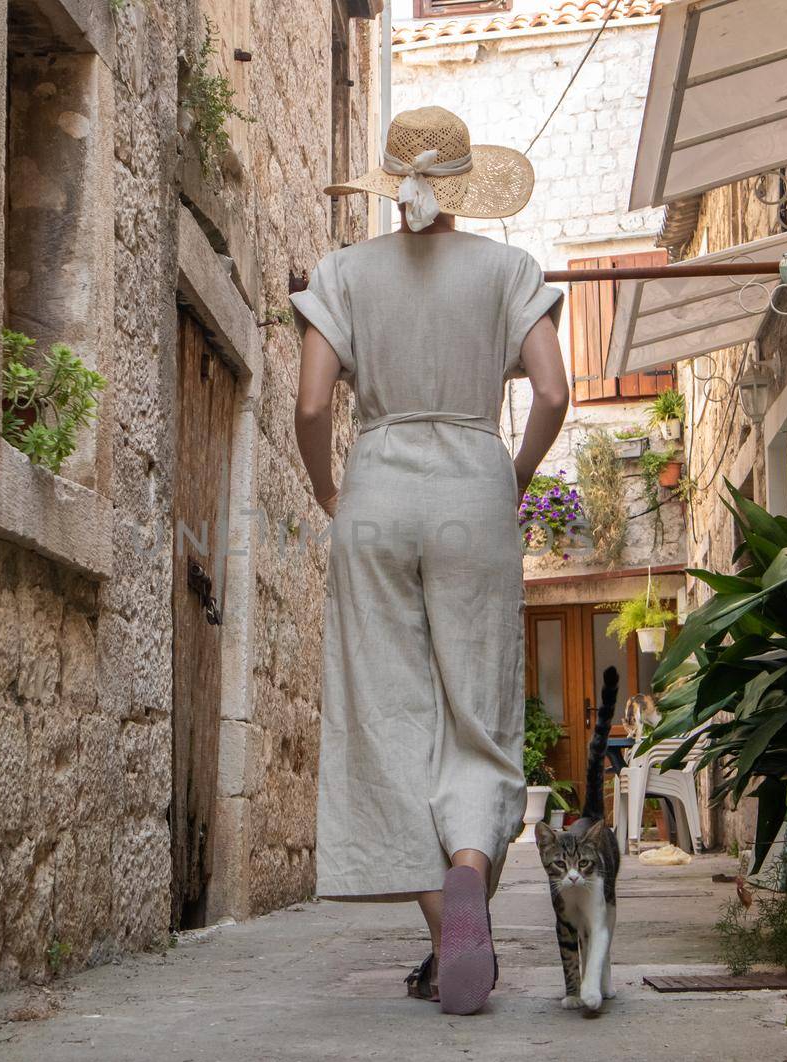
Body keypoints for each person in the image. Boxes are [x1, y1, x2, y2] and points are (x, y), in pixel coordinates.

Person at [289, 106, 569, 1015]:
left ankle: (442, 918)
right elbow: (556, 392)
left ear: (389, 181)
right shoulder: (506, 269)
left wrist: (332, 494)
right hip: (472, 492)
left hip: (376, 485)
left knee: (392, 712)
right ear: (462, 183)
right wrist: (512, 475)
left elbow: (308, 406)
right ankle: (470, 868)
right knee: (477, 712)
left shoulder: (342, 273)